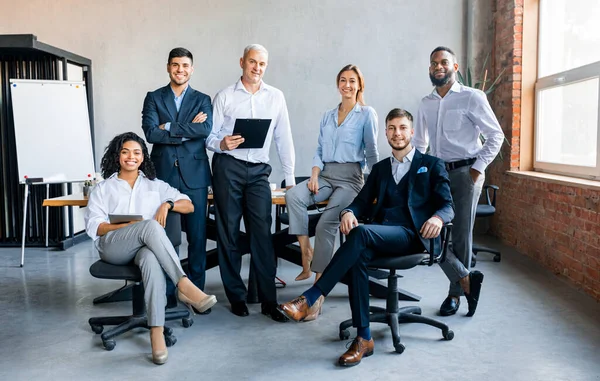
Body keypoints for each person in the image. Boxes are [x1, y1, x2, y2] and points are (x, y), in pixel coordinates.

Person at [278, 108, 483, 367]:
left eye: (402, 128)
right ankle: (364, 338)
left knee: (360, 234)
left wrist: (438, 218)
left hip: (412, 235)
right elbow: (361, 202)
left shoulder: (431, 165)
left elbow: (447, 205)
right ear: (385, 132)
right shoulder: (380, 169)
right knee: (359, 256)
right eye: (392, 128)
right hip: (381, 234)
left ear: (412, 132)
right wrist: (349, 212)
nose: (397, 133)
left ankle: (311, 297)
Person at [84, 132, 217, 365]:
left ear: (143, 157)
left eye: (137, 152)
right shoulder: (103, 188)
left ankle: (156, 332)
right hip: (113, 246)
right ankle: (184, 284)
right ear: (117, 156)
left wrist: (168, 203)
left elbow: (190, 205)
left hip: (143, 249)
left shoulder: (155, 186)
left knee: (150, 257)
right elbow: (95, 227)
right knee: (150, 227)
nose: (131, 157)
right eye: (125, 152)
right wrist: (130, 225)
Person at [206, 44, 295, 322]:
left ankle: (269, 301)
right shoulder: (224, 96)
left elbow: (284, 137)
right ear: (242, 62)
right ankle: (236, 297)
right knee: (229, 233)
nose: (257, 68)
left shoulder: (276, 97)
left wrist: (290, 178)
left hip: (258, 172)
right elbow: (207, 137)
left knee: (262, 236)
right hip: (227, 168)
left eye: (262, 64)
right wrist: (221, 143)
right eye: (252, 62)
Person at [413, 46, 504, 316]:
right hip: (436, 173)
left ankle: (454, 295)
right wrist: (418, 174)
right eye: (433, 63)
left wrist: (476, 170)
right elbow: (419, 143)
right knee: (424, 226)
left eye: (444, 62)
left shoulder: (472, 97)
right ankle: (466, 280)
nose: (438, 66)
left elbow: (495, 136)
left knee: (461, 236)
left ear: (455, 67)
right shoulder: (425, 103)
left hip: (465, 173)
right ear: (430, 69)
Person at [284, 64, 379, 320]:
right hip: (325, 174)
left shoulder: (366, 114)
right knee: (293, 196)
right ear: (338, 84)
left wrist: (378, 187)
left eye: (352, 81)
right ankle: (306, 252)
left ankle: (316, 297)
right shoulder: (327, 115)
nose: (347, 85)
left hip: (351, 179)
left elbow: (371, 153)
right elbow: (318, 149)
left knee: (327, 222)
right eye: (342, 80)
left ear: (359, 85)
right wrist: (314, 174)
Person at [141, 47, 213, 309]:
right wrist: (187, 129)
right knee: (168, 238)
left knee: (197, 237)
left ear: (191, 69)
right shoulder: (154, 97)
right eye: (175, 65)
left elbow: (204, 129)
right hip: (163, 176)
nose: (180, 70)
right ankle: (169, 294)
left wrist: (169, 127)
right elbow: (150, 133)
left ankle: (197, 295)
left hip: (195, 176)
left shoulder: (203, 99)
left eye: (185, 65)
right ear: (168, 67)